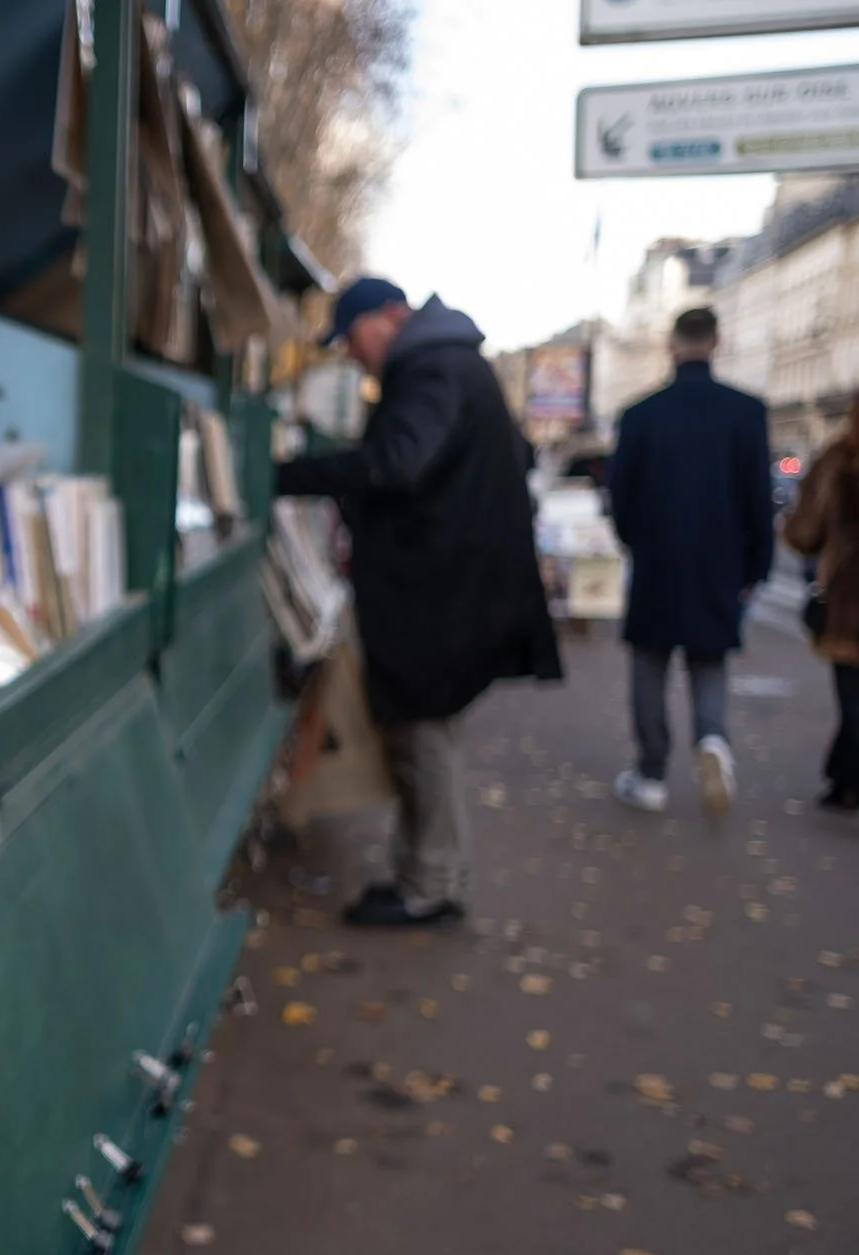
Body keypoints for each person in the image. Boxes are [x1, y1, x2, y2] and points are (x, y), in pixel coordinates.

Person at [276, 278, 563, 927]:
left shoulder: (431, 368)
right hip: (456, 582)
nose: (351, 352)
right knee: (429, 731)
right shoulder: (455, 362)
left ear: (391, 316)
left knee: (423, 733)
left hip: (439, 590)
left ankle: (428, 883)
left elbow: (397, 462)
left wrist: (290, 477)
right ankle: (429, 871)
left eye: (352, 335)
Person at [606, 308, 774, 815]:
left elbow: (620, 494)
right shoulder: (745, 411)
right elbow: (757, 496)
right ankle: (712, 739)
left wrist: (637, 540)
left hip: (658, 555)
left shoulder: (640, 413)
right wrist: (755, 566)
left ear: (671, 345)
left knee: (649, 665)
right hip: (719, 559)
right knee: (708, 662)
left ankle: (652, 772)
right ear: (717, 343)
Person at [781, 400, 859, 812]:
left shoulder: (839, 458)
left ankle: (846, 780)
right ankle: (843, 779)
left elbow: (804, 530)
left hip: (850, 597)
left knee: (852, 694)